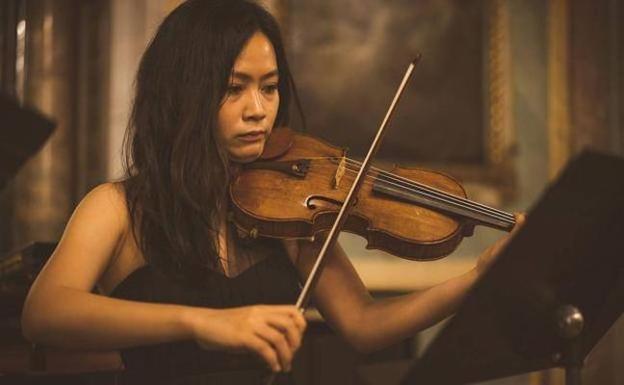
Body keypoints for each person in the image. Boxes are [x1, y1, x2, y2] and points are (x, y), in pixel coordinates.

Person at [21, 1, 524, 384]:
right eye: (234, 88)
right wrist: (204, 324)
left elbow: (366, 324)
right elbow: (43, 315)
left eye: (270, 86)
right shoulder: (118, 208)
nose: (258, 109)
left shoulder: (288, 213)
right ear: (185, 94)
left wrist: (477, 278)